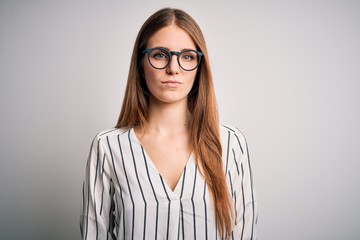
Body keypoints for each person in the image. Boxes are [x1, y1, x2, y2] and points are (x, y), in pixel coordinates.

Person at [80, 7, 257, 240]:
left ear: (199, 67)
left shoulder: (231, 144)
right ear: (141, 65)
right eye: (160, 55)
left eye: (187, 57)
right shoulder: (108, 147)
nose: (173, 68)